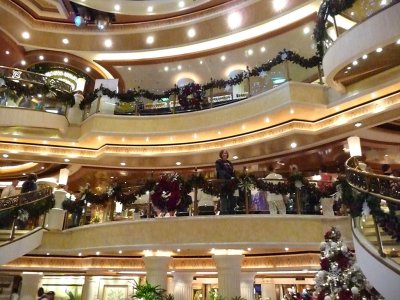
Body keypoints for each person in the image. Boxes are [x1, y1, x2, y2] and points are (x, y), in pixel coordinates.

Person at [215, 149, 236, 214]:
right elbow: (220, 171)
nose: (225, 154)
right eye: (223, 153)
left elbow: (232, 172)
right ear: (221, 154)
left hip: (230, 183)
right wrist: (229, 177)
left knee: (231, 197)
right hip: (223, 182)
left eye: (226, 153)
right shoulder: (218, 162)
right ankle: (224, 213)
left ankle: (231, 211)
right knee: (223, 198)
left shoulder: (229, 163)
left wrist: (234, 178)